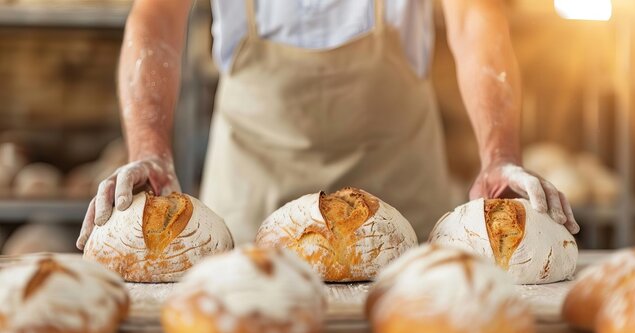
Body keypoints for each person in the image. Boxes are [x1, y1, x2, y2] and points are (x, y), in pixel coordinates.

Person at [76, 0, 579, 250]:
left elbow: (474, 18)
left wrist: (500, 154)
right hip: (251, 196)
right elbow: (157, 17)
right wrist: (148, 146)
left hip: (400, 207)